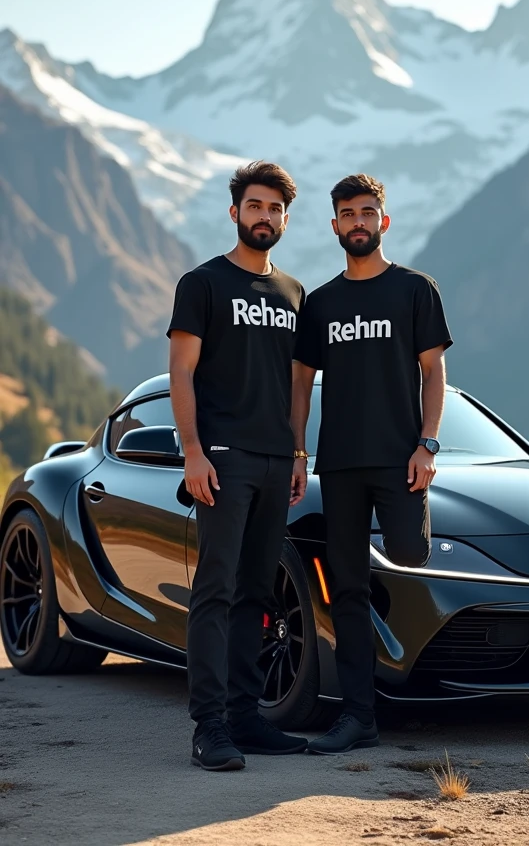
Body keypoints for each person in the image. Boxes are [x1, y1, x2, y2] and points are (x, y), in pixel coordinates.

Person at [292, 173, 452, 755]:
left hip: (399, 458)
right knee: (347, 589)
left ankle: (398, 647)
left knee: (409, 552)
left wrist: (427, 445)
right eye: (346, 214)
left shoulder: (415, 290)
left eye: (367, 213)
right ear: (334, 225)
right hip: (339, 466)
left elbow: (433, 371)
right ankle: (360, 717)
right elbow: (301, 382)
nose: (357, 223)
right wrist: (299, 450)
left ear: (384, 221)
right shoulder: (322, 302)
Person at [167, 160, 309, 772]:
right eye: (255, 206)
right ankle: (210, 728)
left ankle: (248, 718)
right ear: (235, 212)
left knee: (257, 594)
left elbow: (299, 385)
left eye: (276, 209)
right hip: (222, 460)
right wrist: (193, 452)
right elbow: (181, 373)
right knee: (216, 591)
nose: (265, 217)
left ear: (285, 218)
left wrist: (300, 452)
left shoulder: (295, 294)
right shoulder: (202, 284)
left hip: (279, 461)